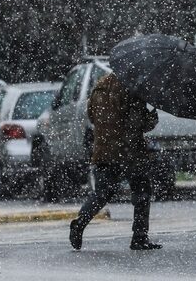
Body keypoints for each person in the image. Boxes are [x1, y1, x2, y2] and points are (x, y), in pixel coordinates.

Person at [69, 72, 161, 250]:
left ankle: (81, 221)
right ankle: (139, 237)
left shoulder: (99, 86)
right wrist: (151, 119)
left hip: (103, 150)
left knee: (102, 192)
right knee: (142, 192)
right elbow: (136, 123)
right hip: (129, 151)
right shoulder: (131, 88)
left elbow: (92, 116)